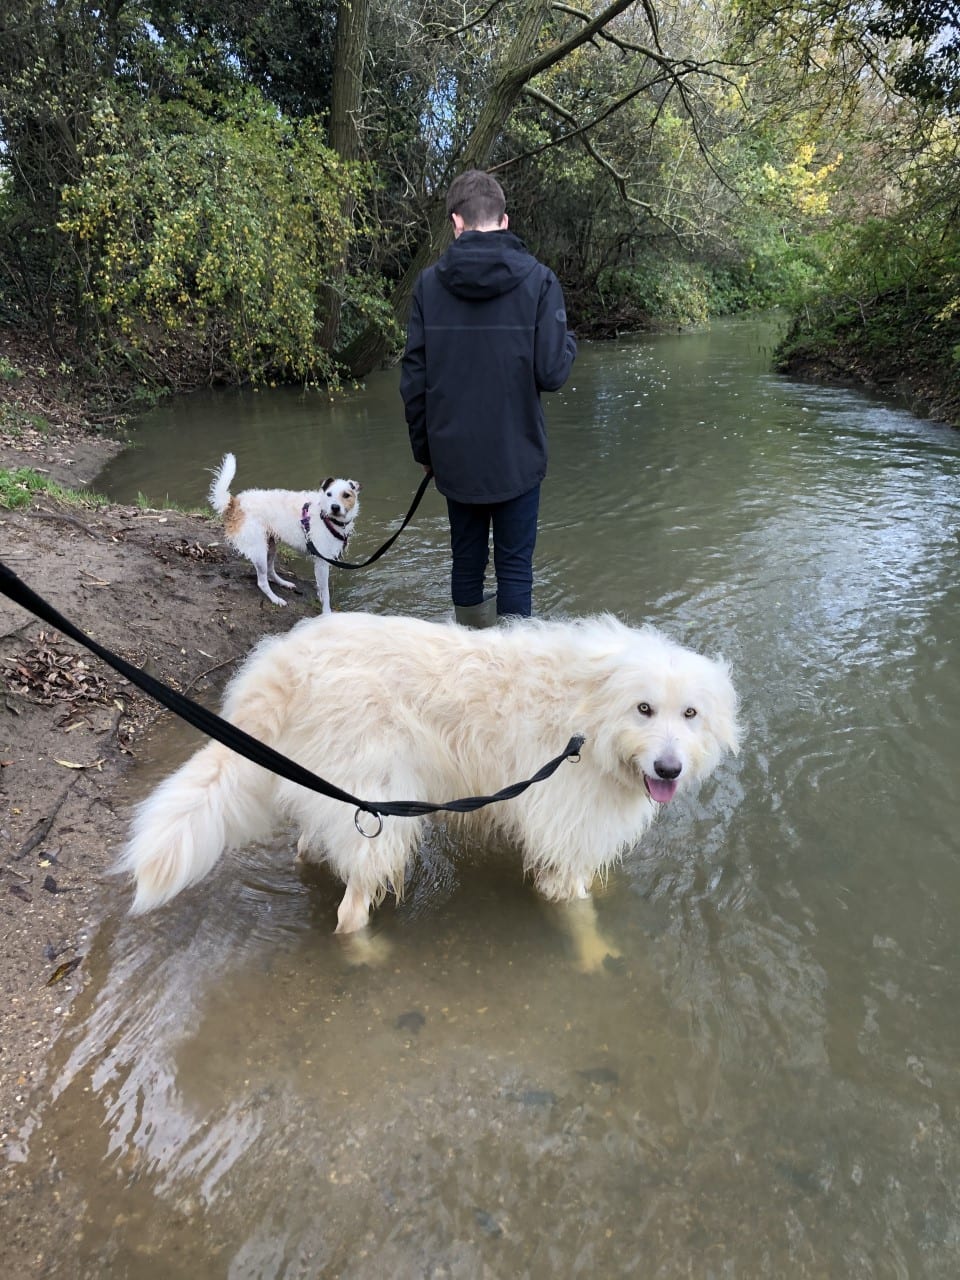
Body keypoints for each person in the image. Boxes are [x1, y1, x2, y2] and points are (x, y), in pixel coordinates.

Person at [400, 169, 577, 627]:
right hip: (517, 456)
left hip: (455, 458)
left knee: (466, 564)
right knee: (516, 570)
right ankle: (513, 681)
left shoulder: (427, 286)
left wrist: (426, 453)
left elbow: (414, 380)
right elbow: (553, 372)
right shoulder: (539, 281)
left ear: (456, 223)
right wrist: (567, 341)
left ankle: (469, 667)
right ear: (505, 221)